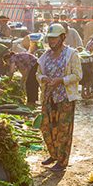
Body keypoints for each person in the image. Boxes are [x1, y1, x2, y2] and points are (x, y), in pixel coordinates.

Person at [37, 23, 82, 173]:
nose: (51, 42)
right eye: (50, 39)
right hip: (49, 96)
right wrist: (43, 78)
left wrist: (61, 80)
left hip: (65, 98)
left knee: (63, 129)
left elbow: (77, 75)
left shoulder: (71, 54)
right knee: (47, 127)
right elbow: (38, 74)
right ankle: (53, 154)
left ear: (62, 38)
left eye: (54, 39)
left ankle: (62, 161)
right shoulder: (45, 56)